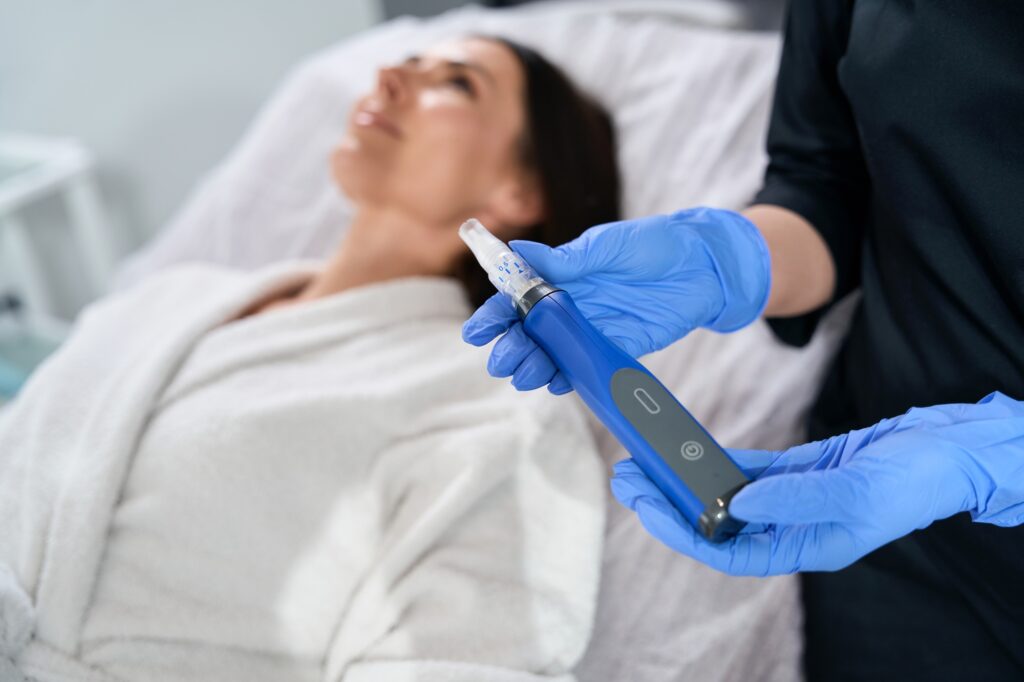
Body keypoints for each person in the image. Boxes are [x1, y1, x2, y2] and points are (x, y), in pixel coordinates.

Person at [0, 37, 621, 681]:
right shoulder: (168, 298)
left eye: (457, 82)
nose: (390, 75)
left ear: (520, 192)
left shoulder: (495, 404)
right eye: (407, 60)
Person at [462, 2, 1024, 679]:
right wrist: (727, 259)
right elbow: (825, 177)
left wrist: (993, 460)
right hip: (885, 509)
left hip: (947, 480)